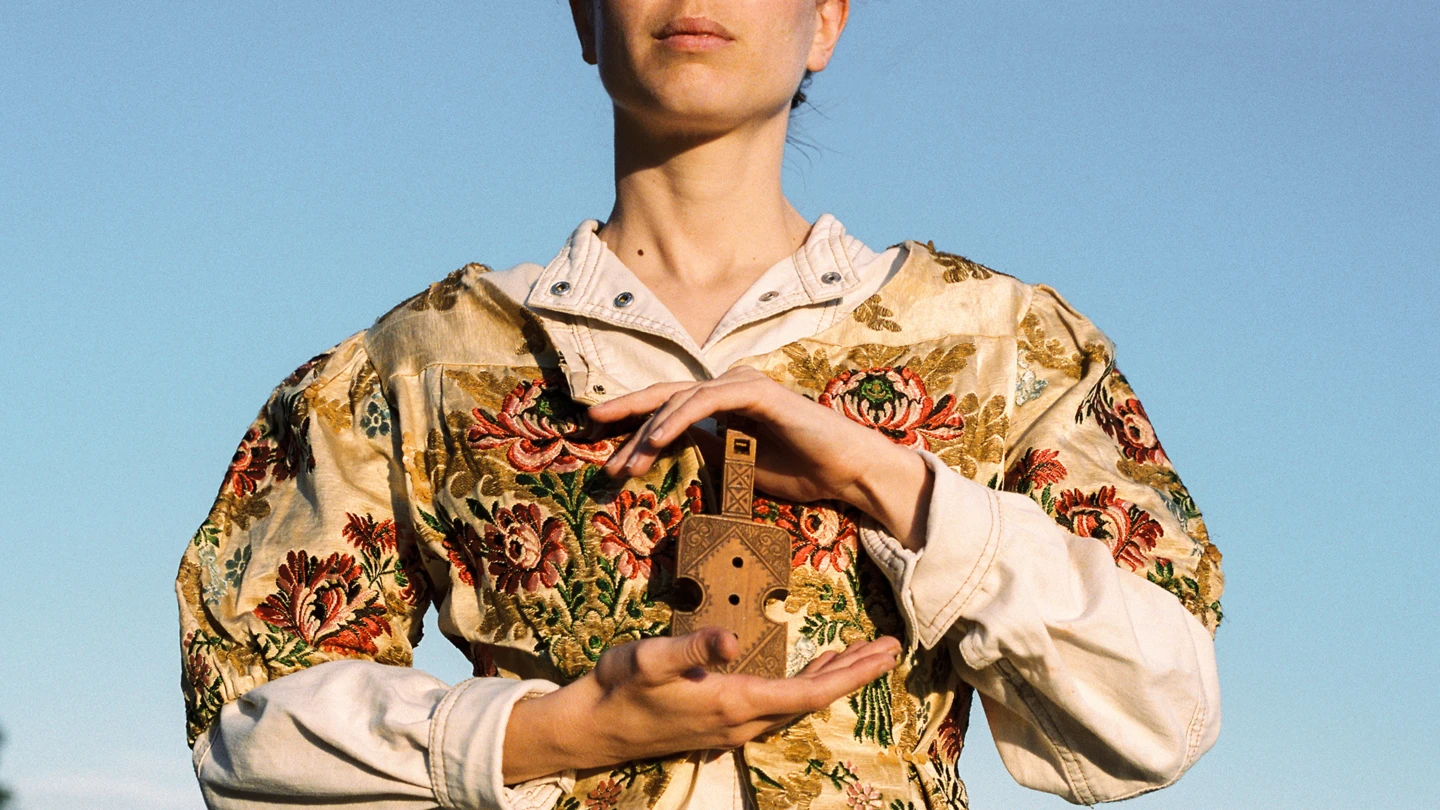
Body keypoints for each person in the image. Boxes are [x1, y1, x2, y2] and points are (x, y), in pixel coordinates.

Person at [175, 2, 1224, 809]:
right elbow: (243, 732)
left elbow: (1161, 716)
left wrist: (886, 480)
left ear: (826, 22)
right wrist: (562, 731)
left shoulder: (1004, 347)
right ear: (586, 19)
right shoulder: (420, 364)